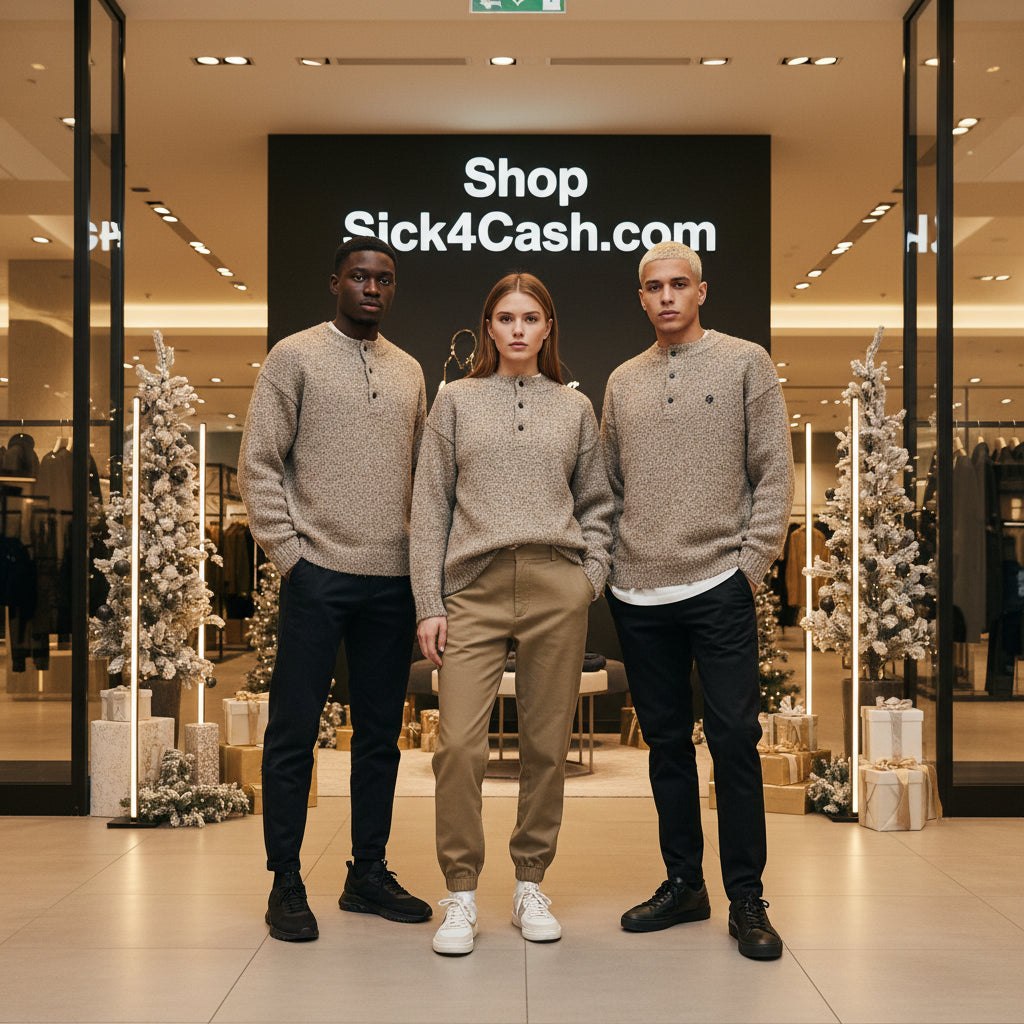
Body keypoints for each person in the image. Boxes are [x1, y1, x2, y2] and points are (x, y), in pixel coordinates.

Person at [601, 241, 794, 960]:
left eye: (679, 284)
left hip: (718, 584)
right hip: (639, 590)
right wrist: (615, 563)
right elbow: (608, 484)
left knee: (736, 742)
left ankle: (747, 895)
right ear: (642, 298)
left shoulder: (746, 363)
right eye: (654, 287)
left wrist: (749, 567)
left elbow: (773, 473)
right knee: (666, 746)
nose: (666, 297)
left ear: (701, 291)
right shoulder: (623, 381)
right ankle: (685, 881)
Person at [411, 272, 613, 956]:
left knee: (545, 747)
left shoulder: (575, 410)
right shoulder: (456, 402)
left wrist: (587, 581)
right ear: (489, 327)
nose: (519, 328)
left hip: (558, 584)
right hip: (474, 587)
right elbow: (430, 507)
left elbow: (597, 504)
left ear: (548, 327)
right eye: (506, 317)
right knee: (459, 746)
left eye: (531, 317)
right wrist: (429, 603)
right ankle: (461, 893)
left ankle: (530, 882)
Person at [238, 236, 432, 942]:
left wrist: (421, 568)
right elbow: (259, 463)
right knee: (295, 731)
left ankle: (367, 873)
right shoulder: (294, 357)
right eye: (359, 276)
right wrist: (293, 557)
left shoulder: (410, 371)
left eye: (383, 279)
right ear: (335, 283)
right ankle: (286, 879)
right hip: (317, 575)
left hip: (391, 582)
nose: (372, 288)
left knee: (380, 737)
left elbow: (424, 480)